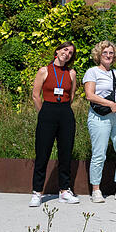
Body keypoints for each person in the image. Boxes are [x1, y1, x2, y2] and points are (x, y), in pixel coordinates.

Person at [84, 40, 116, 202]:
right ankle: (96, 190)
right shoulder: (92, 72)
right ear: (99, 55)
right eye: (105, 53)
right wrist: (109, 104)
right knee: (99, 154)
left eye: (111, 53)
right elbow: (89, 95)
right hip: (99, 117)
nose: (108, 55)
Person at [29, 42, 80, 207]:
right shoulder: (44, 70)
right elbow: (36, 95)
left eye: (70, 52)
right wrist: (44, 113)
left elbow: (71, 96)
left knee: (65, 153)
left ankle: (64, 191)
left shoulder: (71, 73)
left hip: (65, 112)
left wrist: (62, 109)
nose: (67, 53)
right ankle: (37, 192)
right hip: (47, 112)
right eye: (65, 50)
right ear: (57, 51)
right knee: (42, 153)